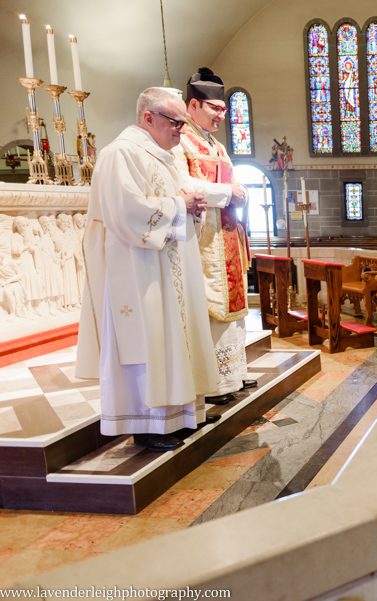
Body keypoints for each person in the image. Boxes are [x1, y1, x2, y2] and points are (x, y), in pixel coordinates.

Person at [75, 87, 219, 451]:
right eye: (175, 122)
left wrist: (192, 207)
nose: (181, 130)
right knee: (151, 340)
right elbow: (126, 213)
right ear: (147, 118)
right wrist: (179, 204)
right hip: (139, 272)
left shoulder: (165, 158)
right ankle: (149, 425)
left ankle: (183, 414)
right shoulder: (120, 154)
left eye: (183, 124)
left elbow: (176, 204)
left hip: (168, 267)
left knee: (174, 338)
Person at [175, 67, 256, 405]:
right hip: (203, 239)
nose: (221, 116)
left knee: (234, 309)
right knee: (211, 306)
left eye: (224, 110)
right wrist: (228, 192)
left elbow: (234, 185)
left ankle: (234, 372)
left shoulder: (217, 146)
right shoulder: (181, 142)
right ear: (193, 106)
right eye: (215, 109)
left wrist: (241, 193)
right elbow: (184, 185)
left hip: (227, 234)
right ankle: (216, 382)